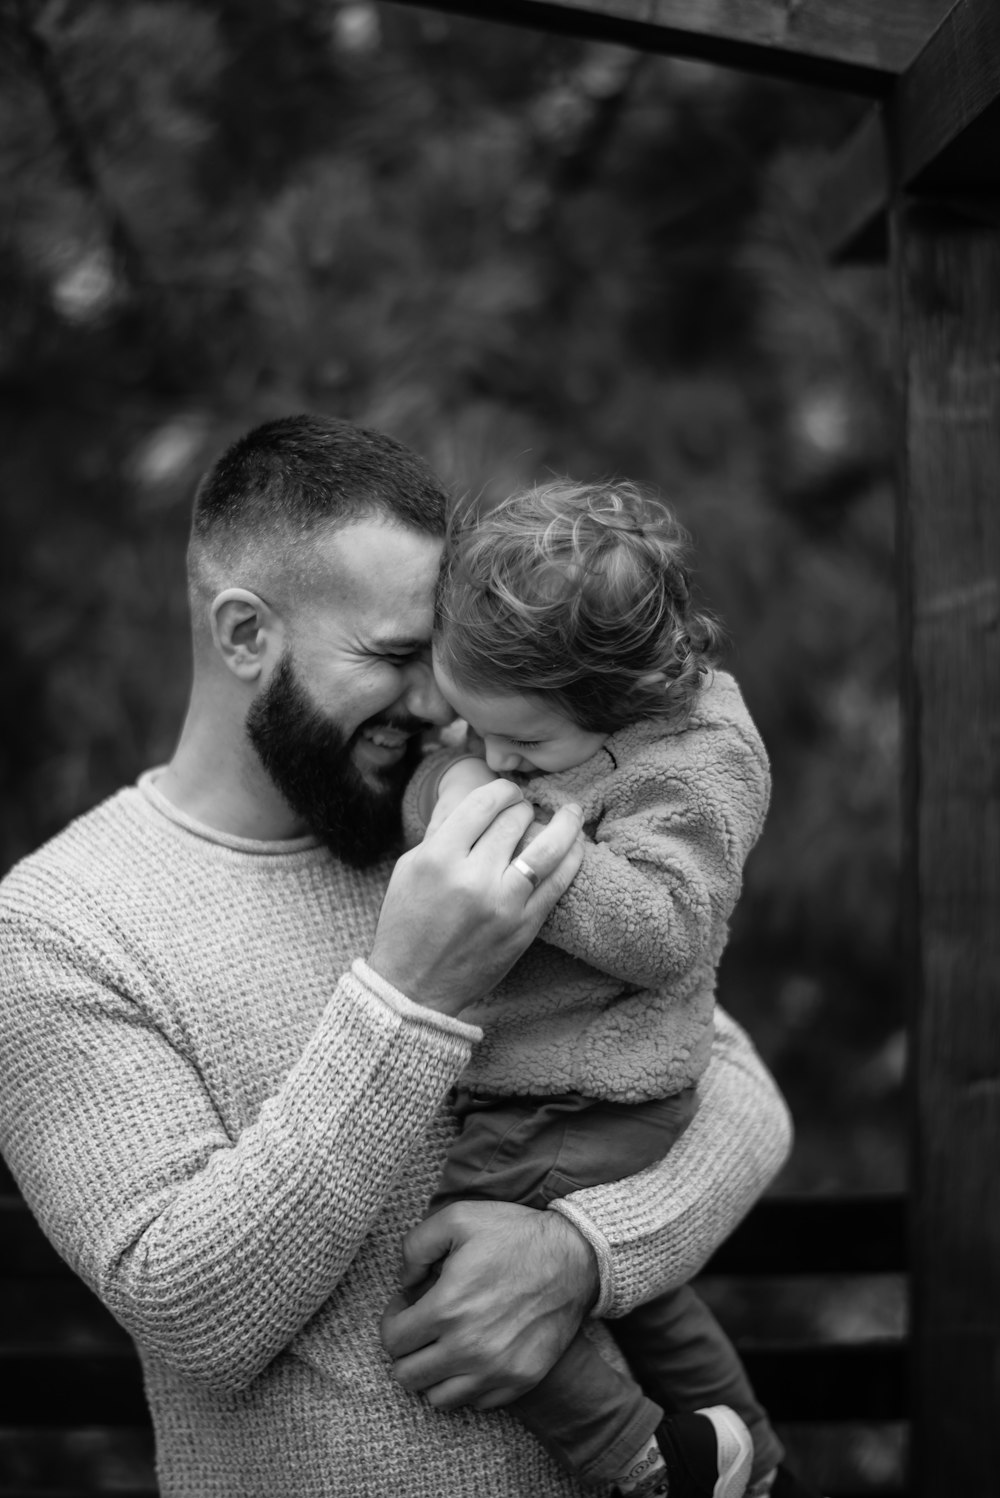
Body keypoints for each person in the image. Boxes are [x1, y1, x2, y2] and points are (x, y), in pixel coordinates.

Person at [0, 414, 793, 1498]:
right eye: (390, 657)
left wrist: (584, 1255)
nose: (437, 707)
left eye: (441, 656)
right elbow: (193, 1312)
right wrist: (409, 991)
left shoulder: (478, 809)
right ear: (244, 636)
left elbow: (738, 1090)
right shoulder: (58, 924)